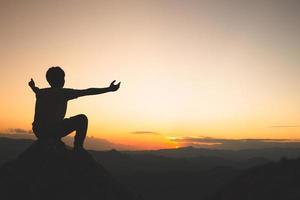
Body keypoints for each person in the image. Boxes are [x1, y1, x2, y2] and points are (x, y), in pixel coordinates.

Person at [28, 66, 120, 151]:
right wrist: (108, 89)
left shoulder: (41, 92)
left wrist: (32, 86)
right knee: (82, 119)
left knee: (58, 121)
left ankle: (54, 140)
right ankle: (78, 148)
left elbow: (36, 90)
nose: (64, 80)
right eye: (63, 78)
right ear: (60, 80)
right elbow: (87, 91)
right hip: (52, 131)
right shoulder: (63, 93)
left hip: (39, 131)